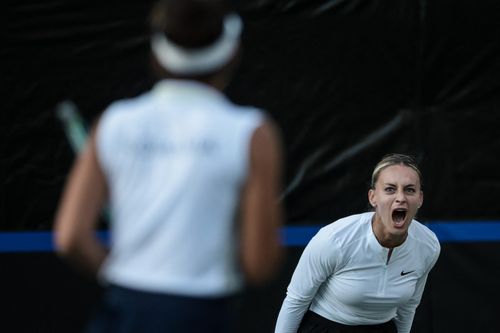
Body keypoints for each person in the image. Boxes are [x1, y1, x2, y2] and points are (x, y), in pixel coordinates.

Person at [54, 0, 284, 332]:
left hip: (123, 310)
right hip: (203, 313)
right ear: (232, 53)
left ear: (157, 52)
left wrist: (123, 278)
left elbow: (70, 237)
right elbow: (260, 264)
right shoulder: (253, 133)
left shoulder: (114, 122)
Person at [275, 153, 440, 333]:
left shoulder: (428, 246)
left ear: (420, 199)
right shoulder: (334, 239)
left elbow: (409, 306)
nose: (400, 197)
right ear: (373, 197)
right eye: (390, 189)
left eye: (409, 190)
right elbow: (296, 300)